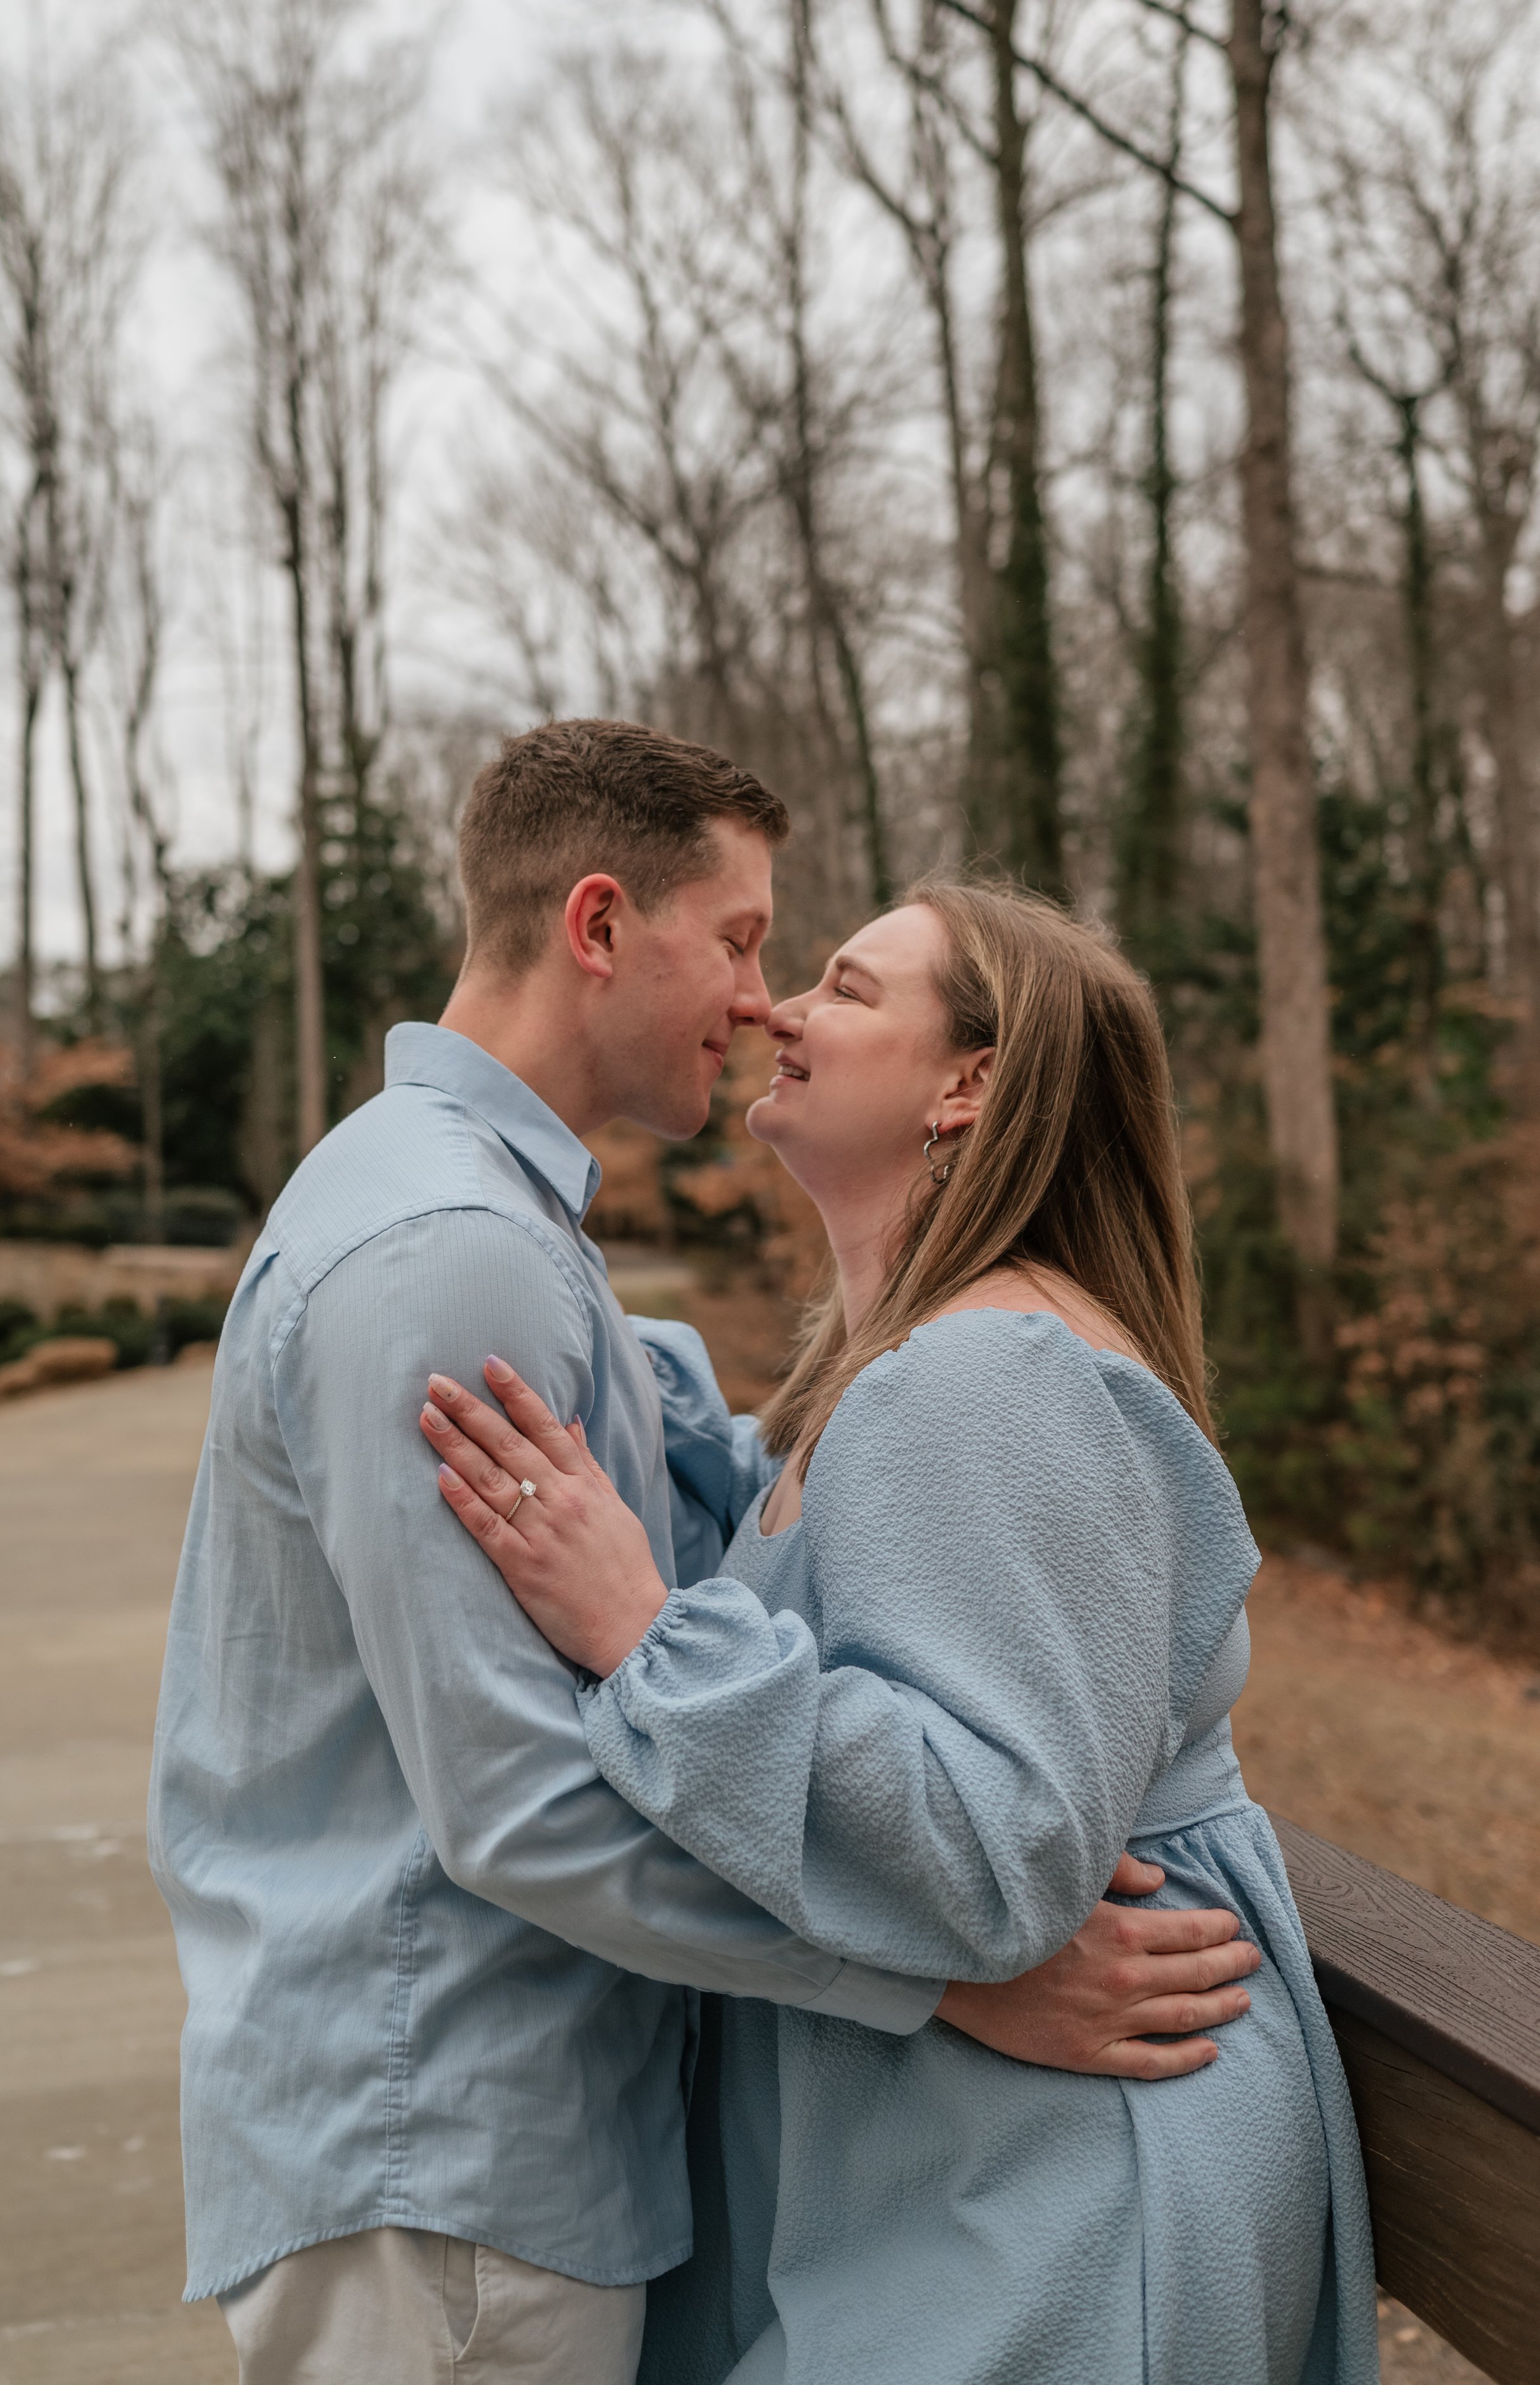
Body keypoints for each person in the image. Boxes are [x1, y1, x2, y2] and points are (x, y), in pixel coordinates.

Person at [149, 721, 1265, 2385]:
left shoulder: (491, 1229)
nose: (761, 1000)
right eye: (743, 942)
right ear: (600, 926)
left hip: (494, 2149)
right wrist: (935, 1985)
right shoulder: (451, 1249)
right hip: (449, 2147)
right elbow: (518, 1797)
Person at [420, 876, 1380, 2385]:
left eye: (849, 989)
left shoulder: (988, 1376)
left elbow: (997, 1848)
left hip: (1051, 2190)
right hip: (963, 2159)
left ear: (969, 1083)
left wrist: (646, 1636)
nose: (778, 1010)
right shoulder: (909, 1370)